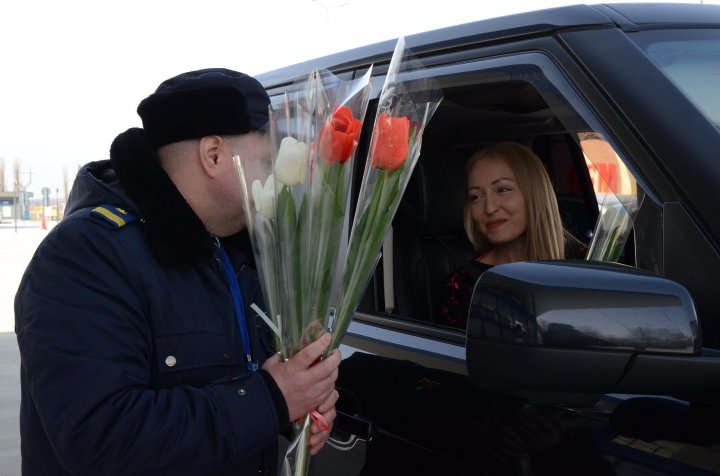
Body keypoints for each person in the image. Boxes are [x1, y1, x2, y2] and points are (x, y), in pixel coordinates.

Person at [15, 68, 341, 475]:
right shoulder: (86, 256)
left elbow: (253, 384)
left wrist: (299, 401)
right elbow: (100, 440)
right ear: (214, 155)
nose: (274, 176)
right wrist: (270, 398)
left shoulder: (234, 249)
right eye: (264, 159)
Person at [440, 141, 581, 328]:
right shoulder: (463, 285)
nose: (489, 208)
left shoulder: (582, 264)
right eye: (476, 197)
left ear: (534, 192)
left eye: (502, 190)